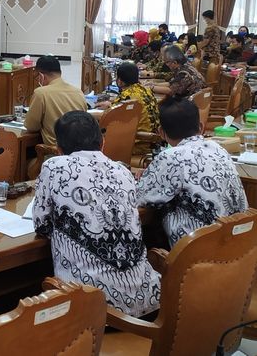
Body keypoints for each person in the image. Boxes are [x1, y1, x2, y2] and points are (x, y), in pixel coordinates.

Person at [33, 111, 160, 317]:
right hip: (149, 302)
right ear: (103, 142)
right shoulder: (123, 171)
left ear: (58, 149)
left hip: (93, 310)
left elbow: (41, 225)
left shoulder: (54, 167)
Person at [137, 98, 247, 248]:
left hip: (198, 254)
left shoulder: (171, 157)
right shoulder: (218, 148)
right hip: (239, 246)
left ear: (161, 133)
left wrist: (150, 175)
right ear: (201, 127)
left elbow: (140, 198)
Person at [96, 62, 160, 154]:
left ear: (120, 81)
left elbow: (109, 117)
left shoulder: (127, 95)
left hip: (137, 143)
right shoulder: (145, 90)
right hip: (152, 142)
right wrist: (110, 104)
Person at [24, 55, 87, 146]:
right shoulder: (78, 92)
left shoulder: (41, 93)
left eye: (37, 77)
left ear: (41, 76)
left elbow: (31, 126)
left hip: (56, 151)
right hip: (79, 149)